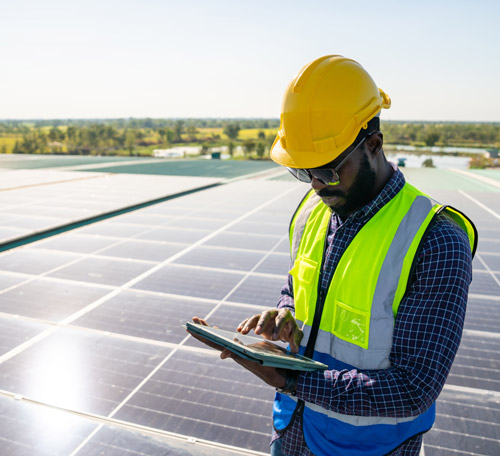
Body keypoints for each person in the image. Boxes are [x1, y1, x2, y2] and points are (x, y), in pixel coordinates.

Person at [188, 55, 477, 456]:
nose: (316, 185)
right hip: (293, 428)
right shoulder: (312, 212)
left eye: (327, 169)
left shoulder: (434, 240)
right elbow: (298, 291)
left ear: (373, 144)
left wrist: (291, 380)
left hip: (368, 448)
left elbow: (413, 389)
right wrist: (285, 317)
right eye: (303, 171)